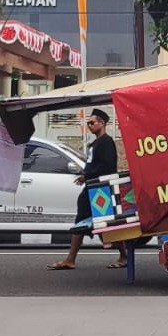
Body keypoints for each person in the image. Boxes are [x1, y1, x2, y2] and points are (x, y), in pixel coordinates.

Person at [47, 108, 124, 270]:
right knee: (86, 222)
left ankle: (122, 256)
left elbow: (107, 166)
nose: (89, 125)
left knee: (104, 223)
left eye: (92, 122)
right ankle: (71, 258)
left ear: (102, 123)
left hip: (100, 189)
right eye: (88, 123)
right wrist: (86, 175)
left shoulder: (106, 142)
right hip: (92, 187)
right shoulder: (95, 143)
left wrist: (86, 174)